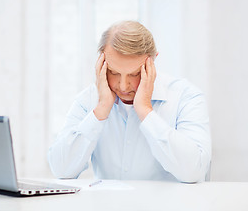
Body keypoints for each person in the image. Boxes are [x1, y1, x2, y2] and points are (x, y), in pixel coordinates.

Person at [48, 20, 211, 183]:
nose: (124, 86)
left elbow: (193, 172)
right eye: (113, 72)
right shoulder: (88, 100)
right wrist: (101, 109)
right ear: (101, 63)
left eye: (134, 74)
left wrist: (146, 112)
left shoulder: (185, 97)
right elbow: (61, 169)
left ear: (153, 62)